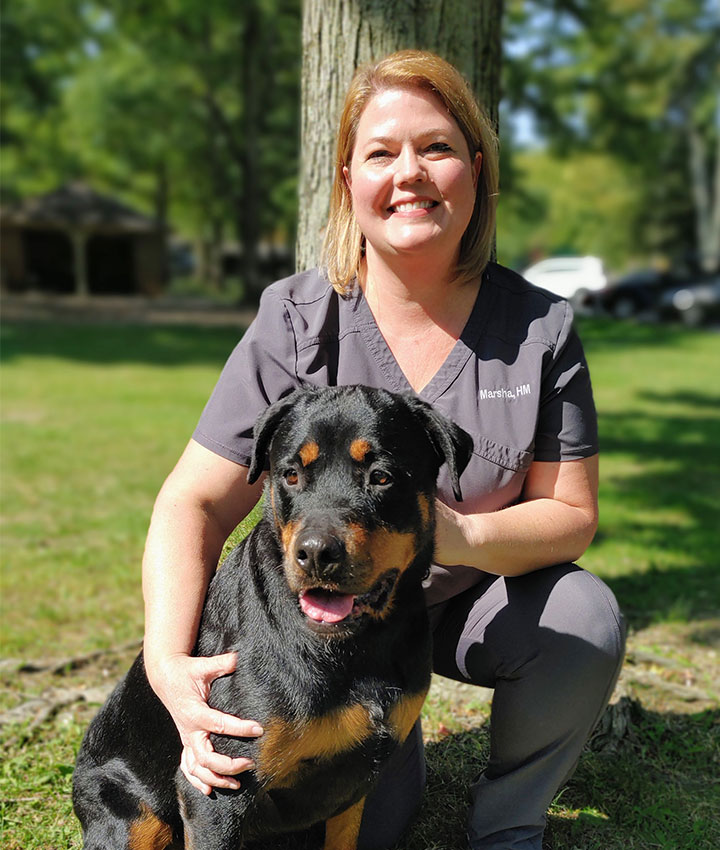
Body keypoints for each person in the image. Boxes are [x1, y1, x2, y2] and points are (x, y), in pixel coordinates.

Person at [142, 50, 626, 850]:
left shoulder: (540, 328)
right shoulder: (294, 319)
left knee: (584, 615)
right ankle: (391, 751)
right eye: (381, 152)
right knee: (362, 830)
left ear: (475, 170)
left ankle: (508, 825)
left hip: (472, 605)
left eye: (435, 148)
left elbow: (571, 516)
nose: (410, 173)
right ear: (347, 181)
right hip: (329, 630)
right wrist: (167, 663)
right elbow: (192, 500)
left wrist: (452, 535)